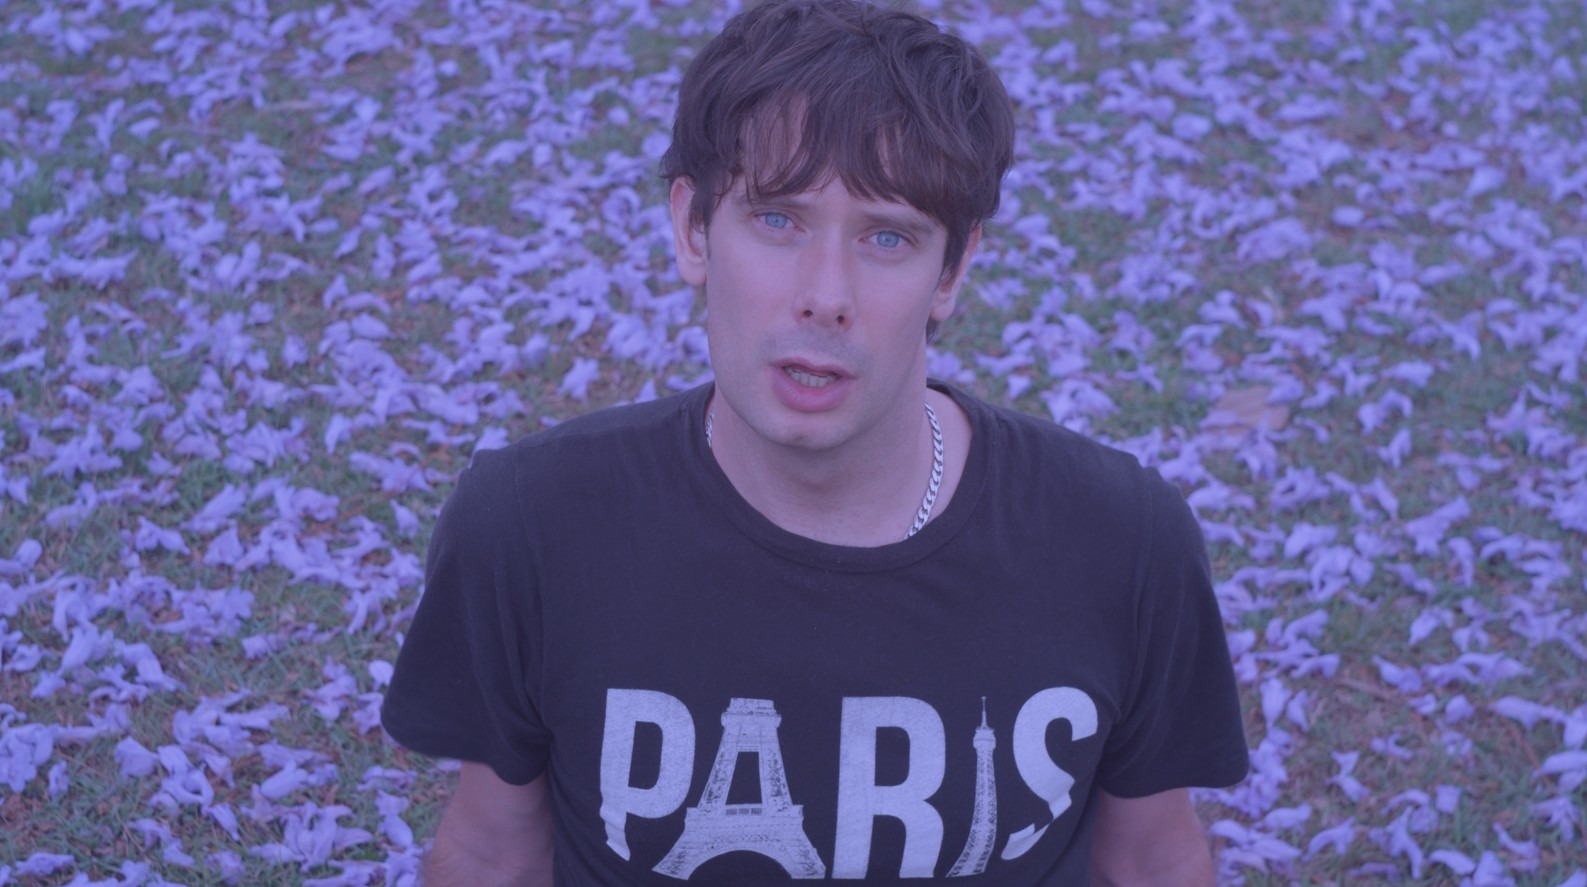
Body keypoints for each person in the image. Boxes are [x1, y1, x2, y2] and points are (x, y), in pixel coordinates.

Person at [380, 0, 1249, 883]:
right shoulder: (529, 525)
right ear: (692, 229)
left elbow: (1151, 859)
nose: (825, 295)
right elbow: (491, 851)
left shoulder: (1121, 541)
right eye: (777, 219)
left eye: (887, 236)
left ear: (951, 272)